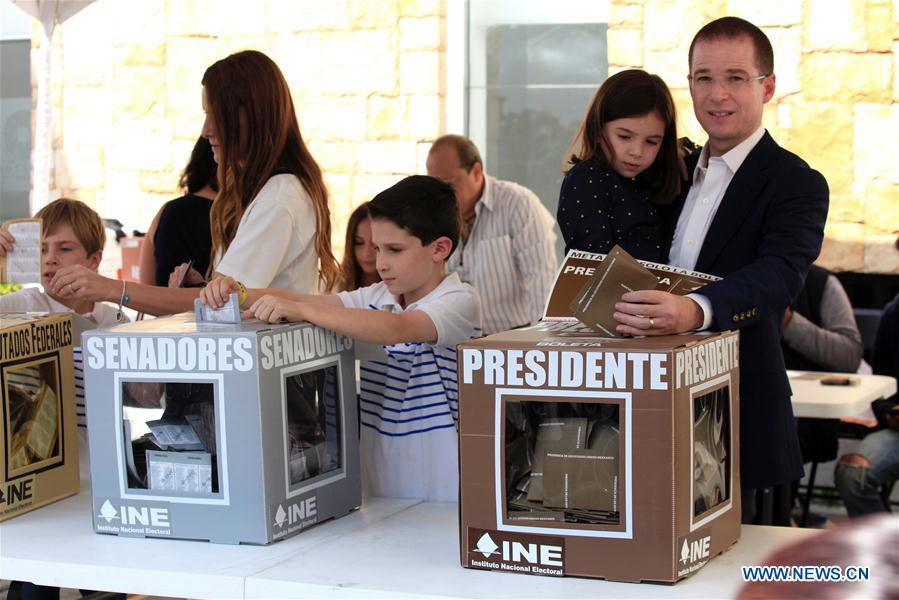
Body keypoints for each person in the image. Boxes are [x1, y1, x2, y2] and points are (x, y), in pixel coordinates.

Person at [612, 17, 829, 522]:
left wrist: (694, 310)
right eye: (704, 78)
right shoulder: (669, 169)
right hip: (651, 416)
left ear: (767, 86)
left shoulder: (796, 182)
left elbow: (780, 275)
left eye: (736, 77)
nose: (718, 94)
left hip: (739, 420)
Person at [202, 176, 481, 502]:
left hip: (445, 489)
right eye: (377, 248)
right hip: (378, 482)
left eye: (394, 249)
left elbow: (396, 328)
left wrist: (299, 309)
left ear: (440, 248)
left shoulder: (460, 300)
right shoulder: (377, 295)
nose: (380, 263)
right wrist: (242, 292)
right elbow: (311, 301)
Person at [45, 50, 339, 314]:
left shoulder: (279, 196)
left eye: (216, 115)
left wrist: (110, 289)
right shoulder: (272, 192)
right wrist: (206, 285)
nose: (206, 130)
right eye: (205, 115)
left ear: (251, 117)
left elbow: (222, 304)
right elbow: (228, 296)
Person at [1, 198, 126, 600]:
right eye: (41, 248)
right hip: (37, 476)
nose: (50, 259)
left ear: (94, 259)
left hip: (100, 476)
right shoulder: (22, 305)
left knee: (107, 581)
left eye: (64, 248)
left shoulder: (116, 318)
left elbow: (145, 393)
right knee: (37, 581)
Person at [425, 134, 556, 335]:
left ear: (476, 172)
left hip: (512, 341)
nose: (439, 197)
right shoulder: (431, 215)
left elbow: (541, 282)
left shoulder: (519, 205)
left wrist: (543, 343)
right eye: (434, 187)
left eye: (448, 185)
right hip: (452, 344)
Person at [557, 69, 681, 261]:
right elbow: (593, 264)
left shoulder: (652, 180)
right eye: (624, 136)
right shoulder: (587, 178)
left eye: (651, 142)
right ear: (598, 128)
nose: (637, 152)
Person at [834, 240, 899, 517]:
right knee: (852, 473)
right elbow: (882, 386)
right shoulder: (895, 313)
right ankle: (886, 551)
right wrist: (891, 412)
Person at [139, 136, 218, 287]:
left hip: (162, 308)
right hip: (213, 307)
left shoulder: (167, 210)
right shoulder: (234, 214)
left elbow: (145, 285)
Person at [339, 202, 379, 291]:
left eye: (375, 244)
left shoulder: (402, 291)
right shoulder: (331, 285)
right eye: (359, 242)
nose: (367, 253)